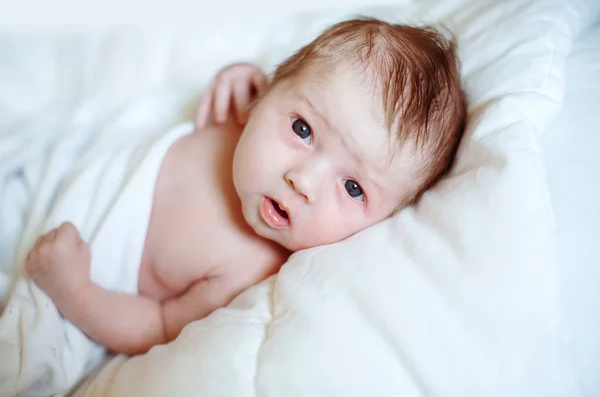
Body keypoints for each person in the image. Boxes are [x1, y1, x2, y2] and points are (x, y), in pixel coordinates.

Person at [24, 18, 466, 356]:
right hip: (66, 161)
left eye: (353, 188)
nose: (304, 181)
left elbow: (154, 327)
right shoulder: (245, 117)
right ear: (268, 92)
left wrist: (76, 292)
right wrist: (237, 76)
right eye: (302, 128)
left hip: (65, 246)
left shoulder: (249, 271)